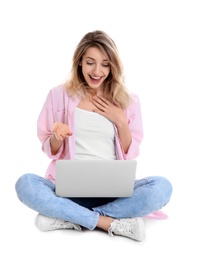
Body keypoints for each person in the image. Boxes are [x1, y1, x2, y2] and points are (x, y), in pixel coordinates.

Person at [15, 30, 172, 242]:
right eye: (90, 62)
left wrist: (121, 121)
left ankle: (70, 217)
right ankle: (108, 222)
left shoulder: (129, 101)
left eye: (105, 64)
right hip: (67, 190)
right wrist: (56, 137)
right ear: (79, 62)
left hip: (113, 191)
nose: (97, 71)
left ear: (113, 66)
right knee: (25, 184)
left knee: (162, 187)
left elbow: (130, 153)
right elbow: (48, 147)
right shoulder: (58, 95)